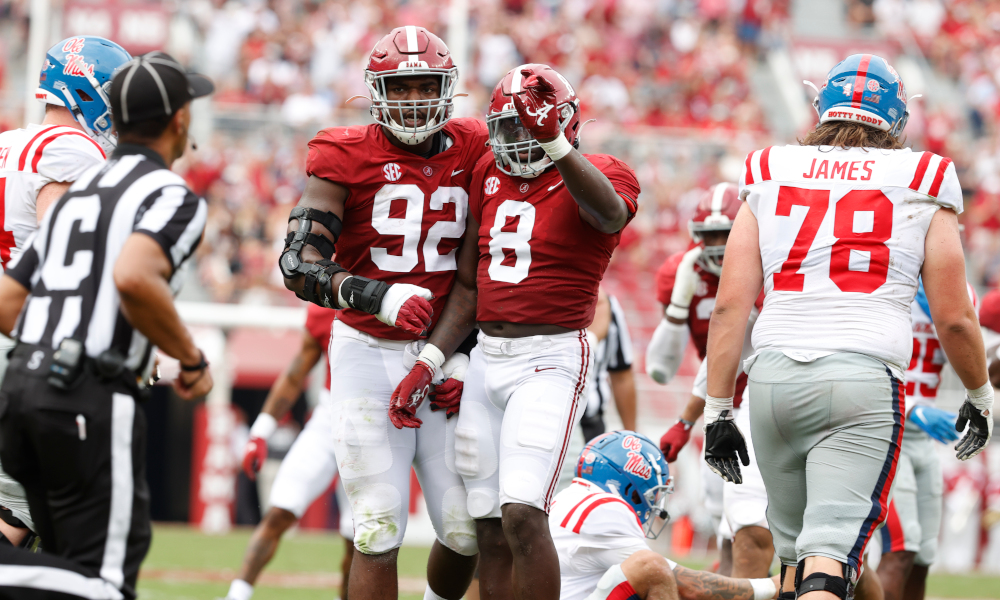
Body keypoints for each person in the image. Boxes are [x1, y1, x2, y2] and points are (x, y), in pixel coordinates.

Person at [704, 54, 992, 600]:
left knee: (790, 563)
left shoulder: (770, 167)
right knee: (829, 559)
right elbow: (954, 316)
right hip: (860, 379)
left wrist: (719, 409)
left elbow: (729, 306)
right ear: (898, 120)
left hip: (770, 381)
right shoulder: (925, 175)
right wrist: (978, 393)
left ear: (821, 108)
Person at [391, 63, 641, 600]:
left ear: (565, 124)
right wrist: (429, 360)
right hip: (487, 357)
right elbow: (466, 285)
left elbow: (609, 215)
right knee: (485, 526)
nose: (521, 138)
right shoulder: (488, 172)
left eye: (535, 126)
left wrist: (554, 145)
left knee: (524, 514)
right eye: (512, 127)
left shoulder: (602, 170)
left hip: (549, 358)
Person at [278, 25, 486, 600]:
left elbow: (483, 271)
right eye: (401, 88)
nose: (415, 101)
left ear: (446, 89)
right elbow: (299, 264)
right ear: (376, 92)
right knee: (377, 524)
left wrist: (461, 356)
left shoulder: (475, 145)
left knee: (465, 531)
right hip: (367, 352)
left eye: (426, 87)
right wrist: (376, 295)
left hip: (444, 352)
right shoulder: (342, 152)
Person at [0, 51, 214, 600]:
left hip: (21, 377)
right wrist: (190, 357)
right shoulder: (164, 192)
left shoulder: (79, 191)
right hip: (87, 391)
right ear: (179, 121)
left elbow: (6, 302)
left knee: (48, 544)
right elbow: (134, 277)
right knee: (106, 580)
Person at [0, 35, 131, 550]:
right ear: (87, 89)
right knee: (70, 521)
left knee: (20, 513)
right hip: (25, 341)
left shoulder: (7, 141)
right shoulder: (77, 150)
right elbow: (65, 259)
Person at [649, 183, 772, 577]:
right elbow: (660, 369)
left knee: (750, 517)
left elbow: (732, 348)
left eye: (727, 233)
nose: (718, 245)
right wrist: (680, 300)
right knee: (723, 512)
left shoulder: (765, 265)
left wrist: (686, 419)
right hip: (719, 404)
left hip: (761, 399)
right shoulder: (680, 271)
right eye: (710, 235)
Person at [226, 303, 355, 600]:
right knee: (280, 508)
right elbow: (297, 371)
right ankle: (237, 595)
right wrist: (260, 432)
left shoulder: (397, 288)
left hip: (377, 422)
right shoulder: (327, 303)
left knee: (359, 537)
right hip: (329, 414)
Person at [557, 430, 779, 600]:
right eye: (655, 491)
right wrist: (771, 587)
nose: (654, 501)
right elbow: (680, 583)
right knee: (650, 567)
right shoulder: (605, 508)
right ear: (632, 482)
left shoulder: (568, 498)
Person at [877, 280, 976, 600]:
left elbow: (979, 358)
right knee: (900, 549)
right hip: (884, 430)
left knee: (923, 555)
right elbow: (856, 369)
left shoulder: (961, 291)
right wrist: (915, 408)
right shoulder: (885, 282)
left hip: (923, 440)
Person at [581, 288, 637, 441]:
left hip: (589, 425)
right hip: (538, 419)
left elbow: (621, 375)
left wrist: (632, 437)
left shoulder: (608, 306)